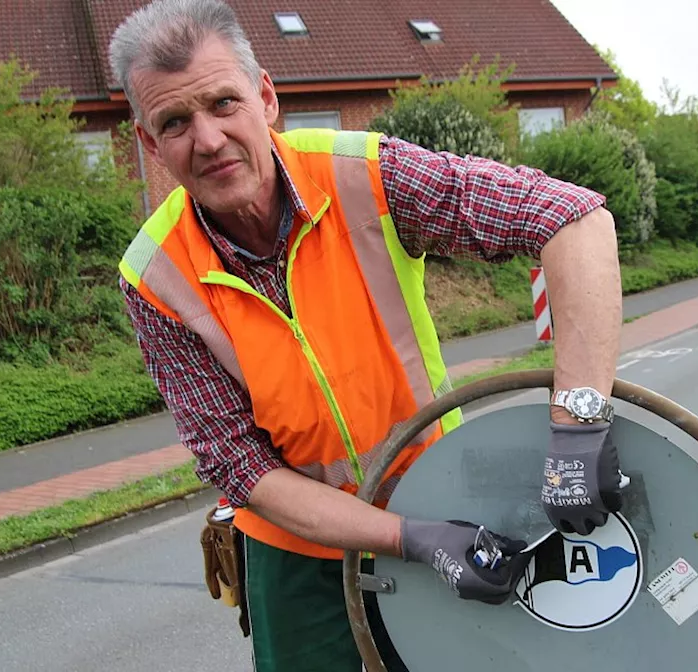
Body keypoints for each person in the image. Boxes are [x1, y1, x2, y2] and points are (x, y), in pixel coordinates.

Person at [108, 0, 624, 669]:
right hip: (298, 557)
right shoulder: (154, 274)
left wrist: (578, 426)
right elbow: (243, 469)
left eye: (223, 103)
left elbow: (572, 218)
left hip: (441, 496)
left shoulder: (366, 176)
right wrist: (407, 537)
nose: (207, 140)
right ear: (149, 142)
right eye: (175, 122)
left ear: (265, 98)